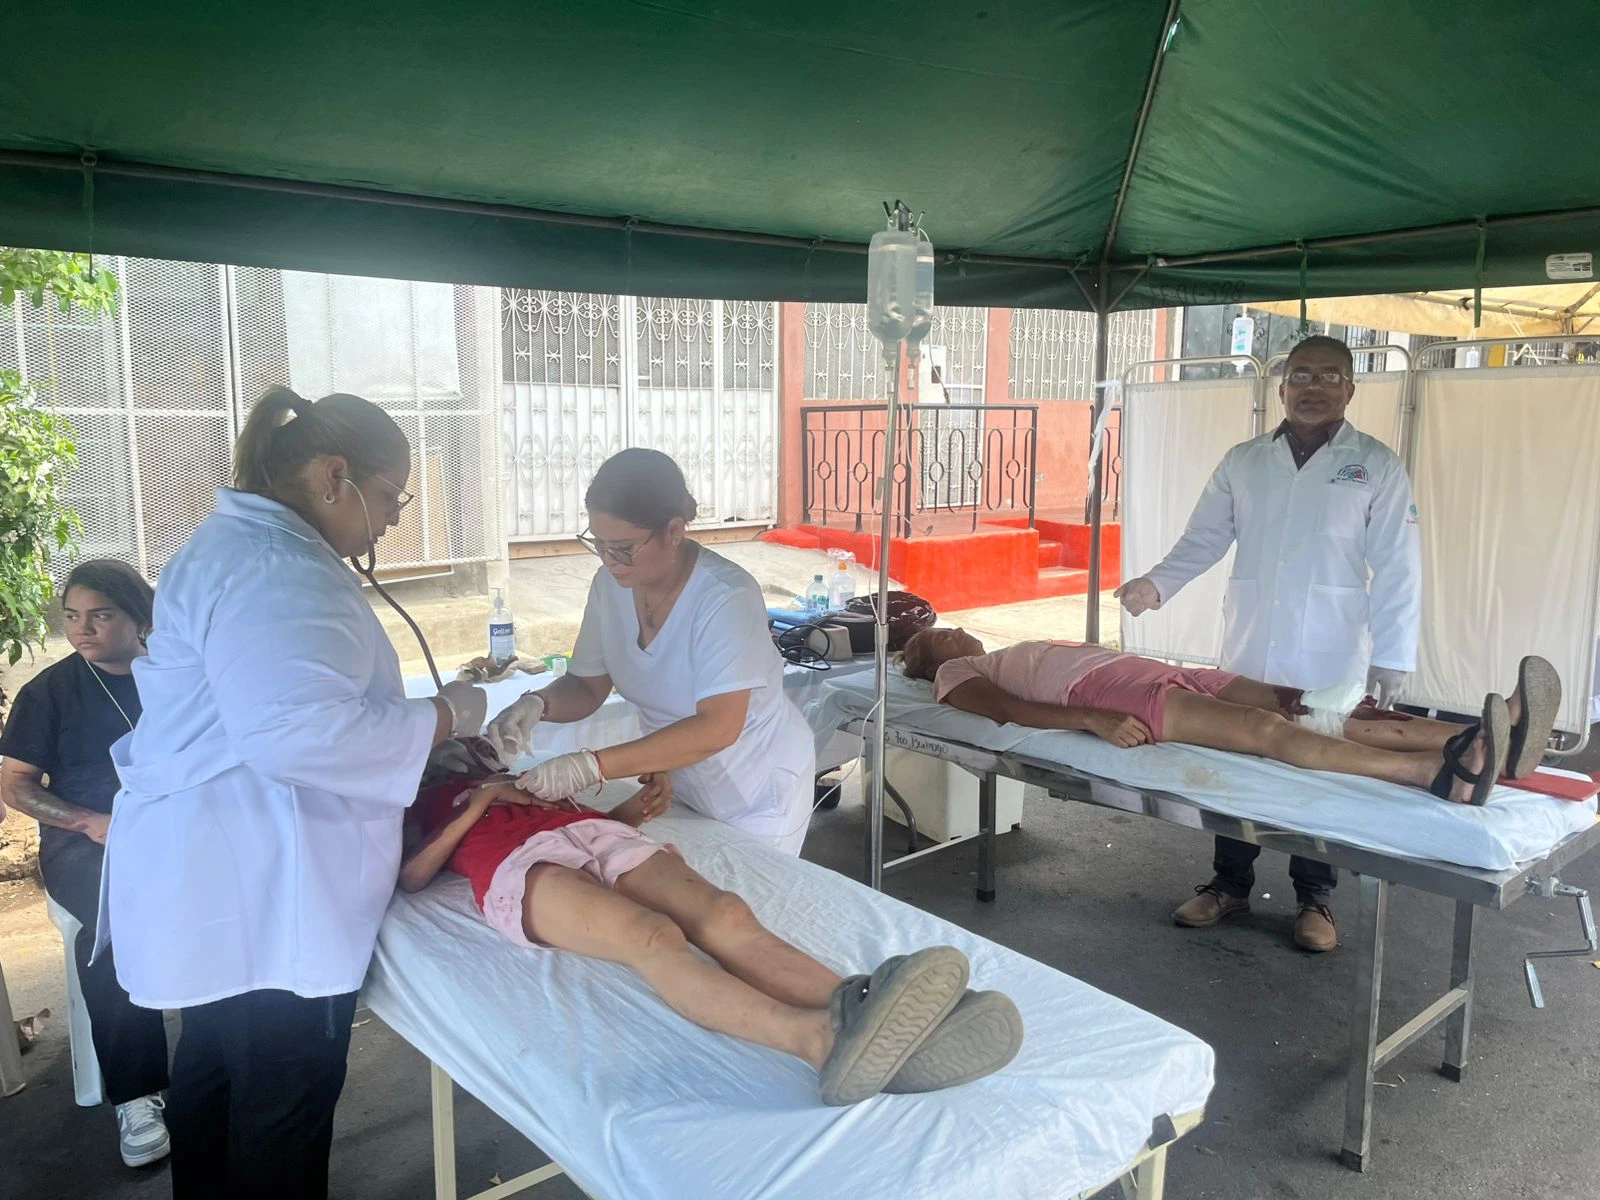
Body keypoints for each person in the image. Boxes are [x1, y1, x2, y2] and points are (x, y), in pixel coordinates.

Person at [99, 387, 489, 1199]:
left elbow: (286, 708)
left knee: (216, 1079)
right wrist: (448, 714)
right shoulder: (278, 569)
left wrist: (420, 745)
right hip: (267, 895)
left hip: (222, 876)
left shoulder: (239, 547)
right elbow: (297, 734)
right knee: (280, 1106)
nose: (393, 520)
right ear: (334, 475)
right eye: (391, 495)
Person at [400, 738, 1024, 1106]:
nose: (472, 750)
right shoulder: (423, 800)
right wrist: (480, 802)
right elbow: (413, 876)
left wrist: (633, 808)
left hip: (593, 834)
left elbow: (582, 828)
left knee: (725, 914)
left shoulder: (529, 777)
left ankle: (864, 1009)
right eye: (458, 748)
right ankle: (818, 1042)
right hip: (518, 866)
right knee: (652, 937)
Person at [1115, 334, 1422, 951]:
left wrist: (1393, 654)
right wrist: (1157, 583)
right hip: (1253, 640)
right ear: (1281, 388)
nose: (1313, 387)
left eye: (1329, 376)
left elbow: (1398, 562)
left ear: (1350, 389)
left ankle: (1316, 898)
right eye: (1301, 375)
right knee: (1239, 755)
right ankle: (1228, 884)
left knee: (1321, 760)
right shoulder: (1245, 460)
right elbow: (1204, 537)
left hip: (1332, 645)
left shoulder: (1376, 464)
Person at [486, 449, 817, 853]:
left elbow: (718, 727)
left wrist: (591, 766)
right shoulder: (609, 586)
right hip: (678, 780)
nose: (610, 560)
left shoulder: (725, 597)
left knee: (747, 887)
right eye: (599, 544)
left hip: (758, 790)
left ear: (673, 530)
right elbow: (587, 686)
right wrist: (536, 705)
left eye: (623, 547)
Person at [901, 629, 1562, 805]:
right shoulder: (956, 674)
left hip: (1142, 670)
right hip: (1107, 693)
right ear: (926, 663)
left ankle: (1488, 739)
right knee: (1266, 731)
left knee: (1314, 706)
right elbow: (1008, 712)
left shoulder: (999, 650)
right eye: (937, 637)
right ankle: (1435, 775)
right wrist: (1093, 720)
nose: (952, 631)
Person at [0, 561, 171, 1168]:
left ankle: (234, 1056)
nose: (82, 629)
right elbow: (15, 786)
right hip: (86, 841)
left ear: (140, 618)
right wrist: (89, 822)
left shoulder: (174, 676)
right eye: (72, 616)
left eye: (101, 615)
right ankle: (137, 1094)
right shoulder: (49, 693)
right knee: (113, 920)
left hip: (177, 826)